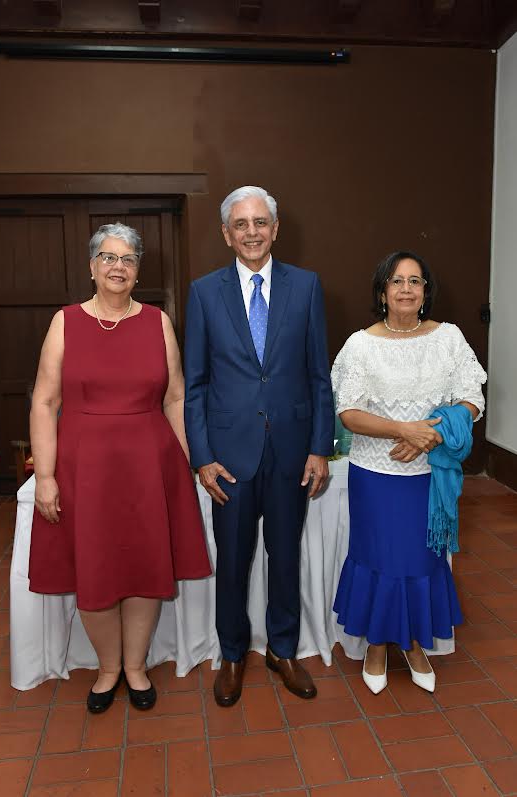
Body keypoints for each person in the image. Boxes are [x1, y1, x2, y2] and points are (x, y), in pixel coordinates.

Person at [28, 222, 211, 713]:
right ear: (92, 267)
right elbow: (44, 402)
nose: (117, 266)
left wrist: (183, 466)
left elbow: (175, 398)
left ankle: (135, 666)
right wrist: (45, 476)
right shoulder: (65, 321)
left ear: (137, 270)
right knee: (96, 567)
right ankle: (108, 669)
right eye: (107, 258)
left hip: (149, 467)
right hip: (84, 469)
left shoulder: (158, 322)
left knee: (146, 565)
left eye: (127, 259)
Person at [184, 186, 334, 707]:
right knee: (233, 560)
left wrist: (320, 447)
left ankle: (284, 649)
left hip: (294, 452)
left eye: (261, 222)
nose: (252, 232)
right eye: (241, 224)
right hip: (229, 457)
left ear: (275, 228)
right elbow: (196, 384)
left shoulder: (308, 287)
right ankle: (232, 654)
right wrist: (201, 456)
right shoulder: (204, 293)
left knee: (285, 555)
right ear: (227, 233)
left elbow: (319, 376)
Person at [331, 251, 487, 694]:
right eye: (396, 281)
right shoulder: (361, 344)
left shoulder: (449, 339)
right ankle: (378, 644)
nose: (405, 289)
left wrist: (430, 435)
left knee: (422, 559)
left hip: (429, 477)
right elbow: (349, 413)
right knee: (379, 560)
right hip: (375, 475)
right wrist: (402, 429)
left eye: (415, 281)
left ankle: (414, 642)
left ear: (425, 292)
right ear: (382, 291)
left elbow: (471, 396)